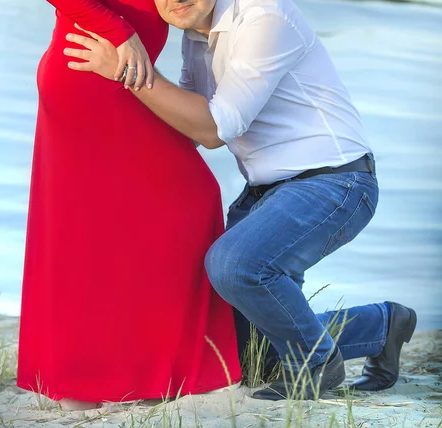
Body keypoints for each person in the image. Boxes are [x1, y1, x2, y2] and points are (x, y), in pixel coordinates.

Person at [63, 0, 417, 400]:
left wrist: (127, 71)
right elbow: (189, 122)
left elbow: (214, 129)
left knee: (234, 264)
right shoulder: (195, 39)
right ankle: (383, 326)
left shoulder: (264, 16)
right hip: (265, 195)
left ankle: (315, 363)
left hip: (335, 183)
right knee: (252, 356)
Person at [16, 0, 242, 411]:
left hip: (115, 81)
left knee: (163, 206)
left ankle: (139, 371)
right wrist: (120, 32)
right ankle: (85, 381)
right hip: (87, 78)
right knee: (98, 226)